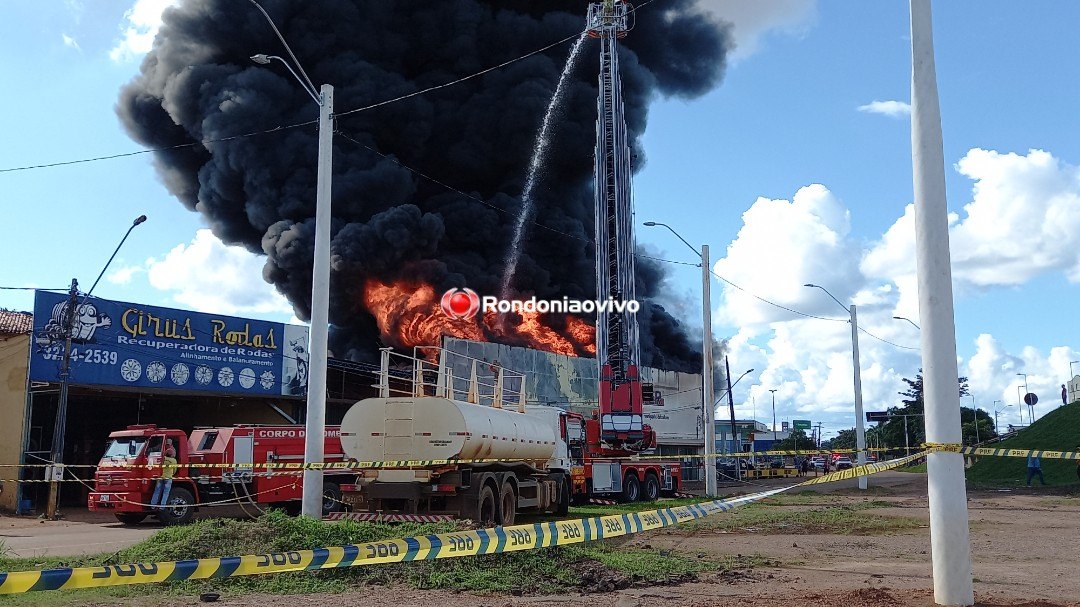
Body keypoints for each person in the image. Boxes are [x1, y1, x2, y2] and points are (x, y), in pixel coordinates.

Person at [150, 442, 178, 509]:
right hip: (168, 478)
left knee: (156, 491)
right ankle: (162, 507)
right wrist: (172, 474)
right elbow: (175, 470)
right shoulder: (174, 461)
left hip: (160, 477)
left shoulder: (162, 459)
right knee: (166, 493)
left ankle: (152, 506)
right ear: (172, 454)